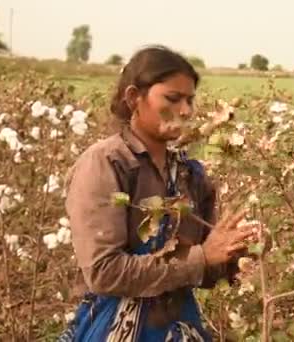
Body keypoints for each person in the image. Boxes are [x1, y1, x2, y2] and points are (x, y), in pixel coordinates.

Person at [59, 45, 256, 341]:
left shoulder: (190, 173)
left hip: (179, 325)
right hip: (115, 328)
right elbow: (105, 272)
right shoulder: (106, 164)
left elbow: (203, 268)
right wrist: (203, 257)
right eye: (173, 98)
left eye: (190, 100)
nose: (186, 111)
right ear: (133, 98)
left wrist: (234, 255)